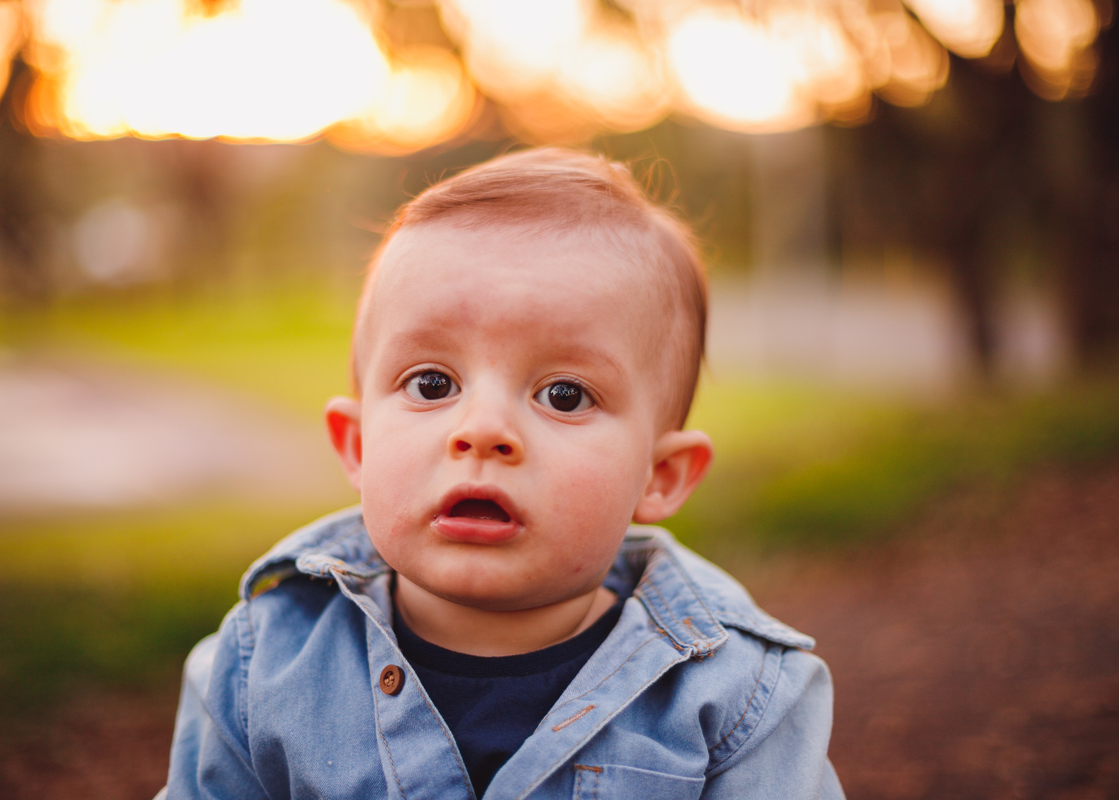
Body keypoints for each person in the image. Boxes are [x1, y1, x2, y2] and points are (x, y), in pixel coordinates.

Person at [161, 148, 844, 799]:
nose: (483, 428)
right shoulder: (262, 668)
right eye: (432, 383)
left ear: (660, 475)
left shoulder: (739, 700)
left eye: (565, 395)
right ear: (359, 446)